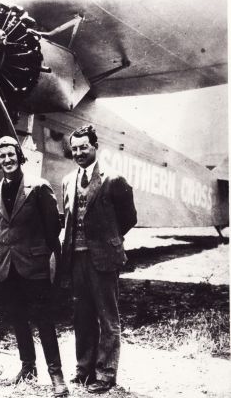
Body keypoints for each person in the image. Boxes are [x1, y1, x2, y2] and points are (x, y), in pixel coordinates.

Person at [0, 136, 68, 397]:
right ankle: (28, 367)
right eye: (3, 157)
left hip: (34, 265)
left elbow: (52, 228)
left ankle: (56, 375)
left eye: (12, 155)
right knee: (18, 317)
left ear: (20, 157)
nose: (8, 160)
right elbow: (0, 227)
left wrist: (47, 259)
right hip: (7, 266)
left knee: (44, 320)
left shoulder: (39, 187)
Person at [61, 125, 137, 394]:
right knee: (81, 316)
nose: (79, 152)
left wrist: (107, 240)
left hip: (103, 259)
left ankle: (105, 375)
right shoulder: (68, 181)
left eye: (84, 147)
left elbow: (129, 219)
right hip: (76, 258)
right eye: (75, 148)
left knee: (107, 318)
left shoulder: (113, 179)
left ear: (95, 147)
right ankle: (84, 370)